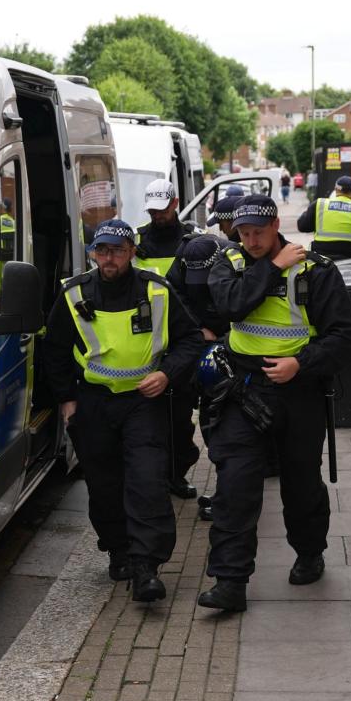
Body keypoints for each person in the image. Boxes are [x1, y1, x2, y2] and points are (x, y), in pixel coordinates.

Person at [196, 195, 351, 612]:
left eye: (258, 232)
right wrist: (272, 268)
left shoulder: (316, 271)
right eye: (243, 233)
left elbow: (346, 338)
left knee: (301, 482)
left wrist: (300, 364)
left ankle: (309, 553)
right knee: (235, 486)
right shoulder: (228, 263)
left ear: (275, 227)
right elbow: (230, 305)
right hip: (243, 389)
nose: (249, 240)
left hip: (298, 392)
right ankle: (231, 582)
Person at [42, 219, 205, 600]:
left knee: (148, 481)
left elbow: (191, 340)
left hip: (143, 402)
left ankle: (147, 567)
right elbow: (54, 351)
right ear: (93, 254)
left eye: (117, 250)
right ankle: (119, 551)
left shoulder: (157, 291)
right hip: (94, 402)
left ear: (132, 251)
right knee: (104, 485)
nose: (109, 258)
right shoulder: (73, 294)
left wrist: (166, 374)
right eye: (102, 251)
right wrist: (68, 401)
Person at [135, 179, 202, 499]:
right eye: (152, 210)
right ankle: (154, 477)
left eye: (162, 210)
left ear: (174, 204)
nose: (157, 216)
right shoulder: (136, 240)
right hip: (145, 338)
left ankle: (176, 473)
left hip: (180, 335)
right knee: (149, 419)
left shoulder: (191, 239)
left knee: (180, 419)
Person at [165, 233, 235, 522]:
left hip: (229, 346)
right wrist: (197, 329)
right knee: (177, 413)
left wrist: (223, 335)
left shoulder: (233, 259)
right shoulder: (183, 258)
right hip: (194, 343)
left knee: (218, 419)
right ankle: (173, 475)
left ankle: (228, 490)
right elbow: (173, 296)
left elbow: (249, 305)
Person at [297, 175, 351, 260]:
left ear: (336, 189)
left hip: (322, 260)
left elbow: (302, 226)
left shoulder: (319, 204)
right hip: (350, 260)